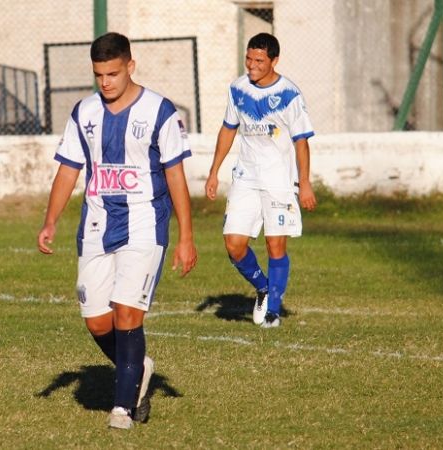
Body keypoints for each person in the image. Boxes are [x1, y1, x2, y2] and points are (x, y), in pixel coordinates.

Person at [37, 32, 197, 429]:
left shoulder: (159, 111)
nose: (105, 82)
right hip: (95, 225)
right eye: (99, 75)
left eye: (113, 73)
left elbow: (175, 175)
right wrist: (51, 220)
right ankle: (137, 367)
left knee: (127, 313)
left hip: (145, 222)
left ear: (130, 66)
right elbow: (68, 169)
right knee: (97, 321)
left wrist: (186, 236)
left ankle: (123, 407)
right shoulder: (84, 112)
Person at [204, 32, 317, 328]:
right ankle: (264, 288)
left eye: (259, 60)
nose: (252, 65)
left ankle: (272, 313)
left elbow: (301, 142)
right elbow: (228, 129)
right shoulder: (237, 89)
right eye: (249, 59)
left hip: (279, 180)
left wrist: (304, 182)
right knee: (234, 244)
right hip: (245, 177)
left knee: (275, 245)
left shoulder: (290, 94)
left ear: (274, 61)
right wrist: (214, 171)